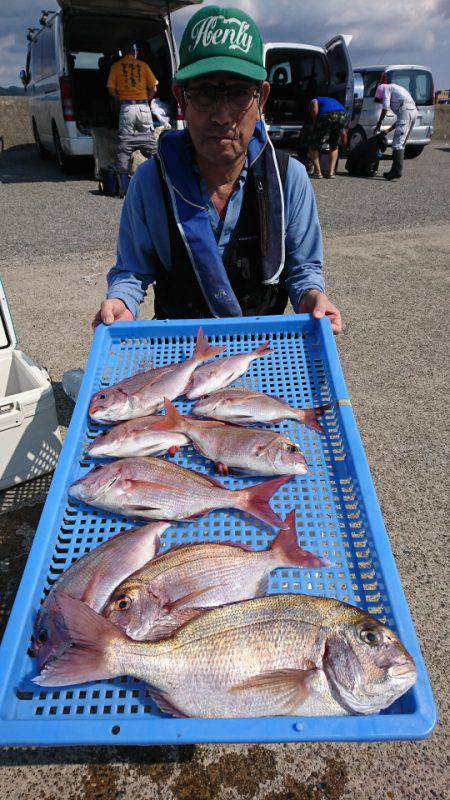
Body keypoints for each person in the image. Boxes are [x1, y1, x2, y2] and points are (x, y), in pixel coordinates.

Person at [93, 6, 341, 333]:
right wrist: (122, 302)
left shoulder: (289, 179)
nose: (222, 116)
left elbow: (303, 269)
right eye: (204, 93)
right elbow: (132, 271)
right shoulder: (151, 181)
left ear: (262, 99)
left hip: (262, 347)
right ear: (181, 99)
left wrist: (312, 297)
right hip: (180, 348)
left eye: (239, 93)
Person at [106, 44, 159, 177]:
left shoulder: (116, 66)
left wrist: (120, 98)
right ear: (135, 53)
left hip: (127, 108)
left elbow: (110, 88)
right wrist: (146, 100)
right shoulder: (143, 65)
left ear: (122, 53)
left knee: (125, 145)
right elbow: (154, 88)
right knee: (150, 143)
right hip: (143, 108)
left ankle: (123, 177)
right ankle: (157, 173)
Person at [373, 83, 418, 181]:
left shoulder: (386, 89)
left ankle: (396, 171)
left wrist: (379, 123)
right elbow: (401, 119)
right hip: (413, 111)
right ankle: (396, 170)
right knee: (401, 143)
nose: (381, 102)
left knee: (397, 144)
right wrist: (388, 130)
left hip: (407, 111)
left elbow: (385, 108)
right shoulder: (396, 92)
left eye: (380, 100)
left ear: (381, 94)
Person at [308, 95, 349, 179]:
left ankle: (318, 173)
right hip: (343, 115)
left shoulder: (315, 99)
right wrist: (345, 147)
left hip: (327, 115)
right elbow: (344, 133)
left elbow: (314, 108)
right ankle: (331, 173)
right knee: (334, 145)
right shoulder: (333, 101)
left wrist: (315, 122)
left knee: (313, 145)